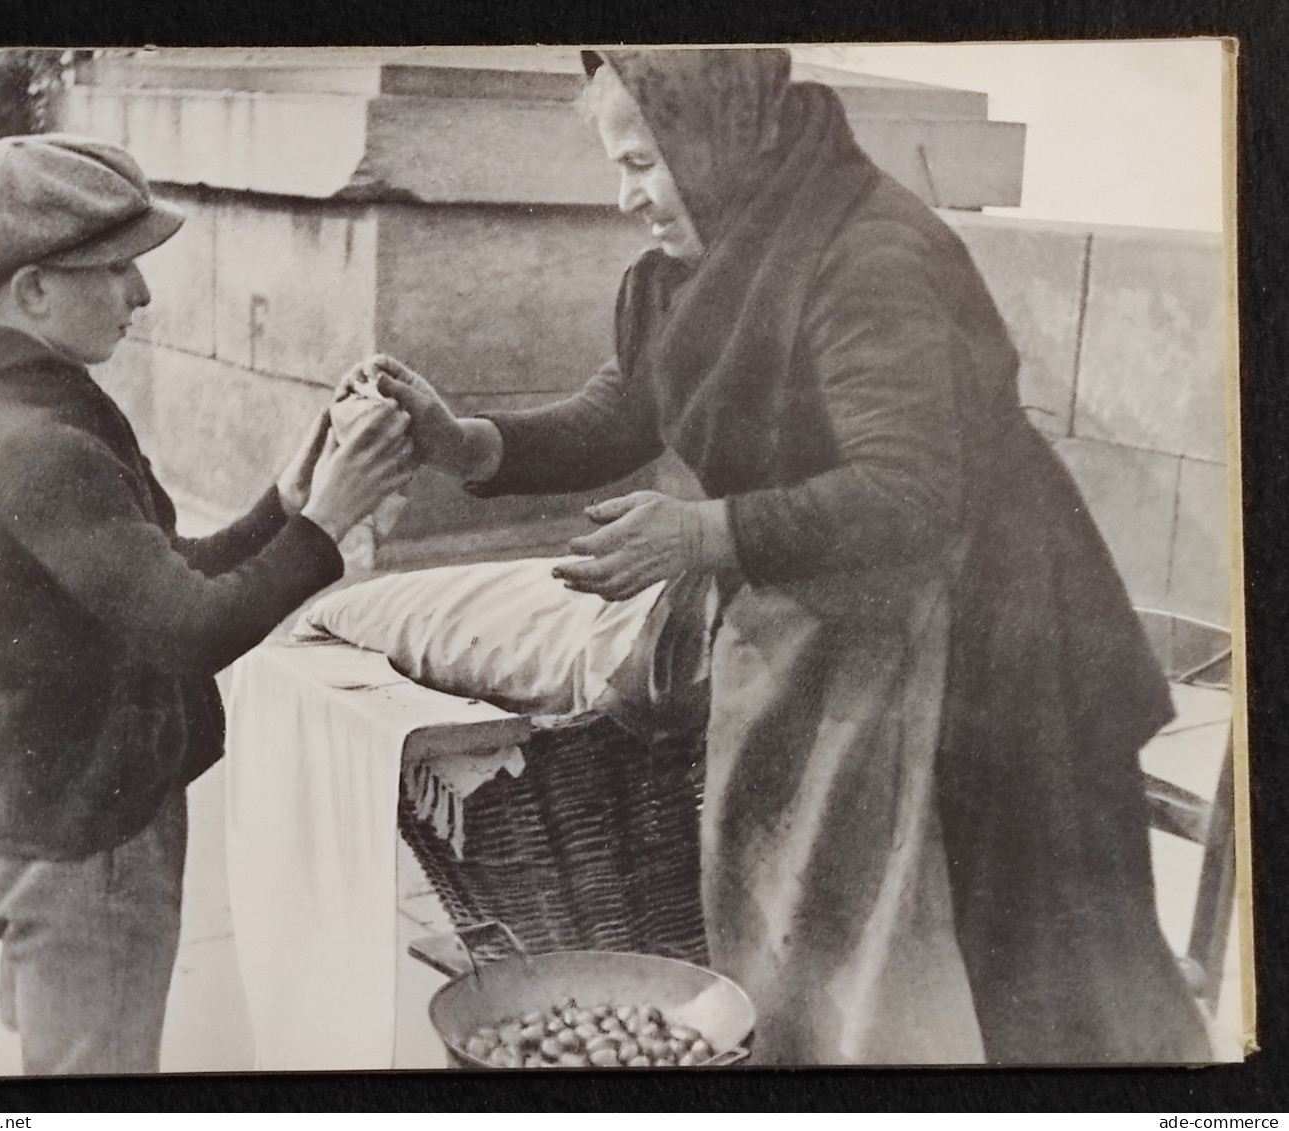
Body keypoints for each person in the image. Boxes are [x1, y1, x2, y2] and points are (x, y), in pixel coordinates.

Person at [368, 49, 1212, 1064]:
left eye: (639, 162)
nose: (625, 194)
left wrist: (699, 532)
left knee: (1021, 983)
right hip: (862, 621)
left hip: (994, 653)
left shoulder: (867, 256)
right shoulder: (714, 255)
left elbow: (907, 491)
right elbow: (630, 404)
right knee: (837, 952)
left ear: (707, 135)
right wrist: (473, 444)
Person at [0, 134, 412, 1074]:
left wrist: (286, 501)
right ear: (31, 291)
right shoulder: (43, 443)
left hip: (57, 832)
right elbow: (190, 630)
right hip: (82, 850)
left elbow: (162, 581)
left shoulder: (37, 410)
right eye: (116, 270)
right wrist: (333, 521)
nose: (142, 296)